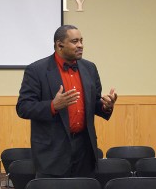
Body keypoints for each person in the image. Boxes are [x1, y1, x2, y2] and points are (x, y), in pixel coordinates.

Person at [16, 25, 117, 178]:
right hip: (52, 152)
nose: (81, 45)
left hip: (84, 149)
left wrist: (105, 106)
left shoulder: (90, 68)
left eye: (81, 41)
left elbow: (94, 103)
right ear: (59, 45)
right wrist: (52, 106)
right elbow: (23, 107)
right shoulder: (37, 70)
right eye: (75, 41)